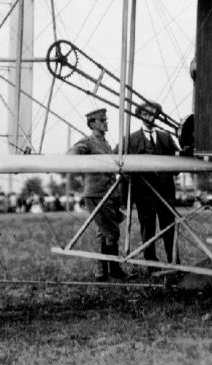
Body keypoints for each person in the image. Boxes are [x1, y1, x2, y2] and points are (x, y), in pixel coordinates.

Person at [67, 108, 130, 282]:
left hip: (109, 192)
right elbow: (72, 154)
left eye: (105, 120)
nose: (105, 123)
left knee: (104, 233)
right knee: (111, 232)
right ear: (92, 123)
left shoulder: (106, 143)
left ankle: (102, 271)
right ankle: (114, 269)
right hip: (97, 193)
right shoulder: (88, 142)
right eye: (101, 121)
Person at [118, 101, 179, 268]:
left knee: (169, 227)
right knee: (148, 228)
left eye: (153, 114)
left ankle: (174, 261)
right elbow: (119, 164)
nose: (150, 117)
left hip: (166, 193)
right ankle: (151, 262)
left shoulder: (166, 138)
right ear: (140, 115)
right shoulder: (130, 140)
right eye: (146, 114)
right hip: (144, 195)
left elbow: (177, 164)